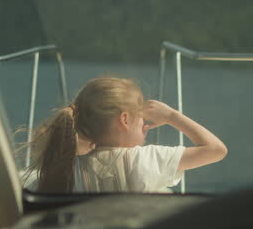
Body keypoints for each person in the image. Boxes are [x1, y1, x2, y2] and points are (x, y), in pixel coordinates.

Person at [23, 76, 227, 193]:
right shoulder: (147, 160)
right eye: (141, 115)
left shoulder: (66, 169)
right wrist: (171, 116)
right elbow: (216, 150)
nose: (145, 121)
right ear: (125, 119)